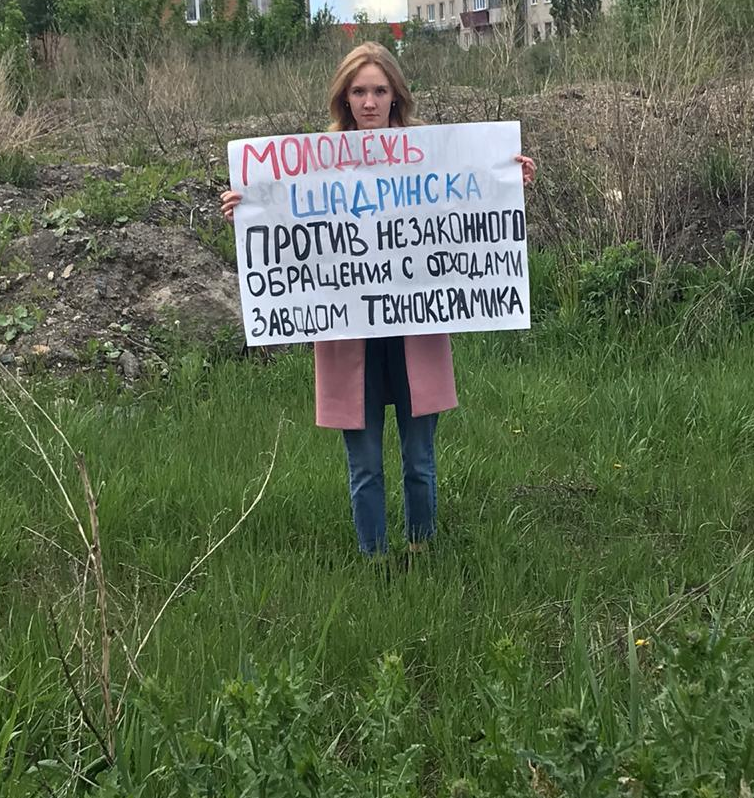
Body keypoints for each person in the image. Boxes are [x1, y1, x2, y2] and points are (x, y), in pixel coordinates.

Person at [221, 41, 536, 557]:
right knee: (364, 464)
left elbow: (469, 203)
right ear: (345, 97)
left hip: (415, 331)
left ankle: (421, 553)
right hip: (350, 336)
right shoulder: (311, 163)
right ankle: (374, 560)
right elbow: (283, 219)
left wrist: (507, 182)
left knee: (420, 460)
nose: (369, 102)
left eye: (380, 90)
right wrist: (248, 206)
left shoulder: (431, 155)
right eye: (359, 90)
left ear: (396, 96)